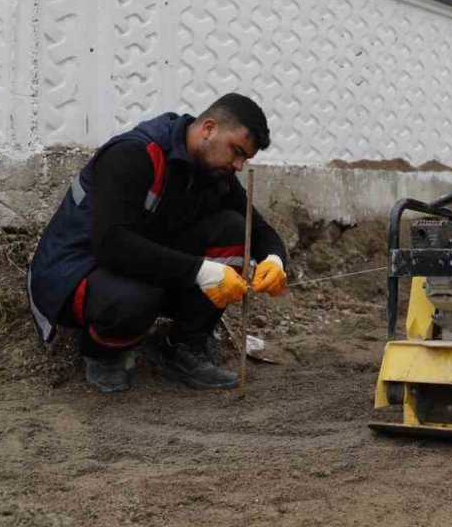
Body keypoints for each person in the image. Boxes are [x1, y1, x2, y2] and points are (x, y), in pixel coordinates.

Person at [27, 94, 290, 393]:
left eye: (246, 158)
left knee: (231, 228)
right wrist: (203, 272)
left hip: (138, 265)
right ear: (208, 128)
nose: (239, 165)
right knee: (137, 296)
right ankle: (102, 353)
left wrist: (273, 260)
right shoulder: (135, 154)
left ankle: (181, 347)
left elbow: (256, 229)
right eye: (237, 151)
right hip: (74, 271)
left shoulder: (214, 171)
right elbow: (112, 245)